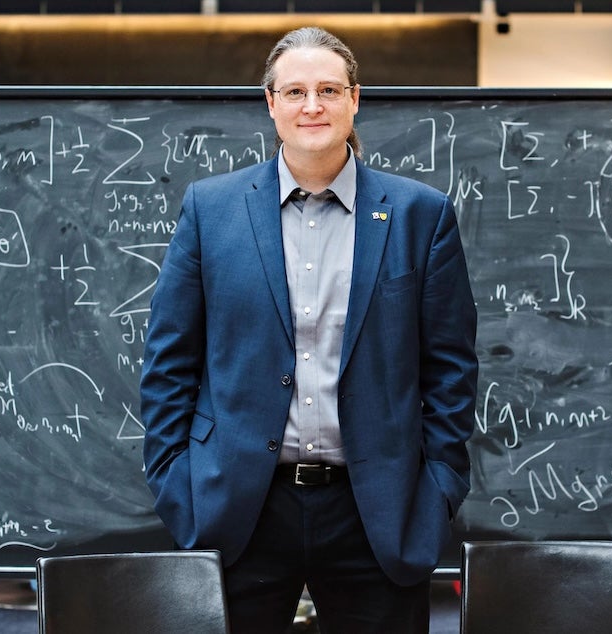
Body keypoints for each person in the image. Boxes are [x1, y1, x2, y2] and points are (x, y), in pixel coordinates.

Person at [140, 26, 478, 634]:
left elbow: (450, 370)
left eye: (328, 89)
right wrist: (175, 483)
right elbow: (169, 362)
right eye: (295, 91)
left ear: (355, 99)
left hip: (378, 510)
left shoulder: (419, 215)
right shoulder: (210, 209)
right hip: (238, 506)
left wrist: (439, 489)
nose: (312, 105)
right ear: (271, 103)